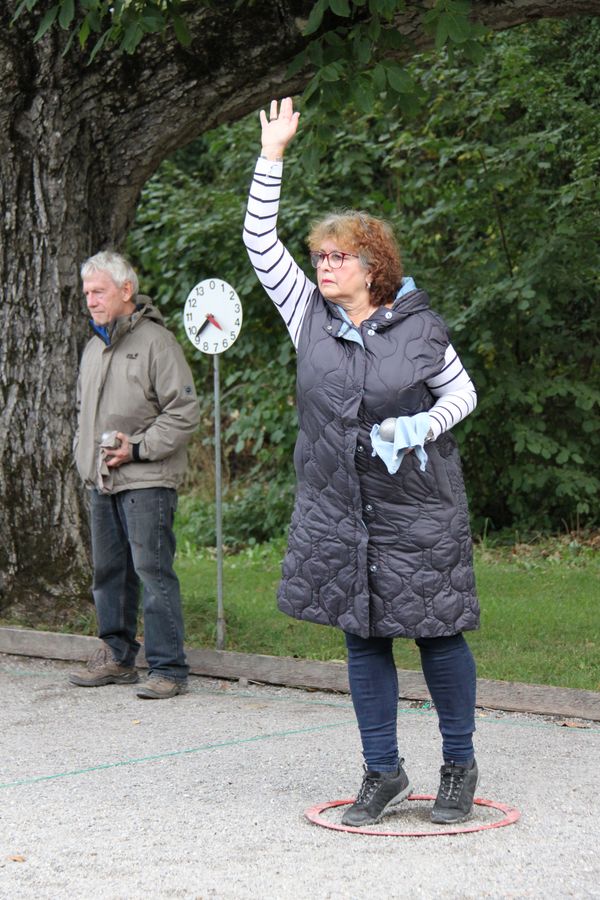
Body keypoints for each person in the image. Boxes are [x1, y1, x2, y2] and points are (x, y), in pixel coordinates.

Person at [243, 98, 481, 826]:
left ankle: (457, 768)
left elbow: (464, 393)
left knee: (437, 632)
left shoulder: (419, 329)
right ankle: (383, 774)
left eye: (335, 256)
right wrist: (272, 154)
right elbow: (259, 245)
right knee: (363, 636)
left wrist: (419, 426)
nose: (321, 265)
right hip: (338, 509)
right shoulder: (306, 314)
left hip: (418, 508)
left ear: (373, 265)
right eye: (317, 256)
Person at [69, 251, 199, 699]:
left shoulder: (157, 343)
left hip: (148, 479)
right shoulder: (92, 346)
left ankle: (168, 668)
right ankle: (117, 656)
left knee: (152, 570)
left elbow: (184, 412)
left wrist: (139, 448)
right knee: (108, 571)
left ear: (126, 291)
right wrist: (85, 459)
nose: (90, 300)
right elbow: (84, 413)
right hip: (101, 480)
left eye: (98, 291)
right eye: (86, 292)